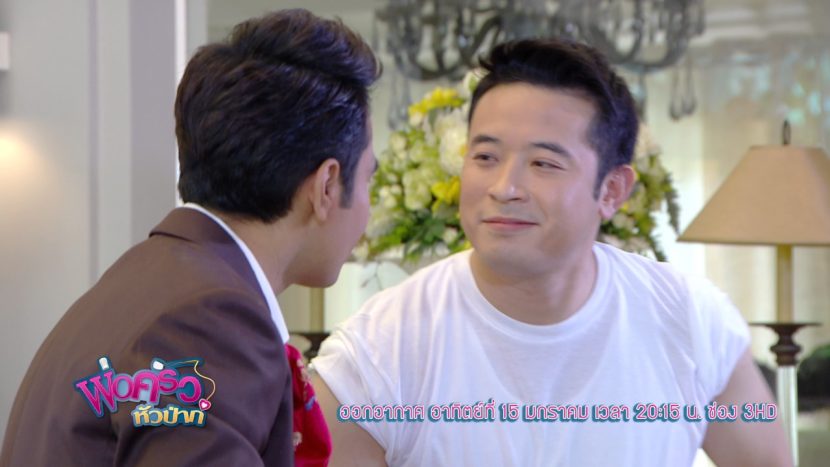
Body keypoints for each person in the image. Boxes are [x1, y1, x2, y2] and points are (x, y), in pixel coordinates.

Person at [311, 39, 791, 466]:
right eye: (485, 157)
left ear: (612, 190)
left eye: (543, 163)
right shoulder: (376, 354)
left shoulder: (691, 323)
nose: (505, 188)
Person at [1, 9, 378, 466]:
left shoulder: (151, 283)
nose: (368, 210)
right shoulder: (212, 320)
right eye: (368, 180)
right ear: (326, 186)